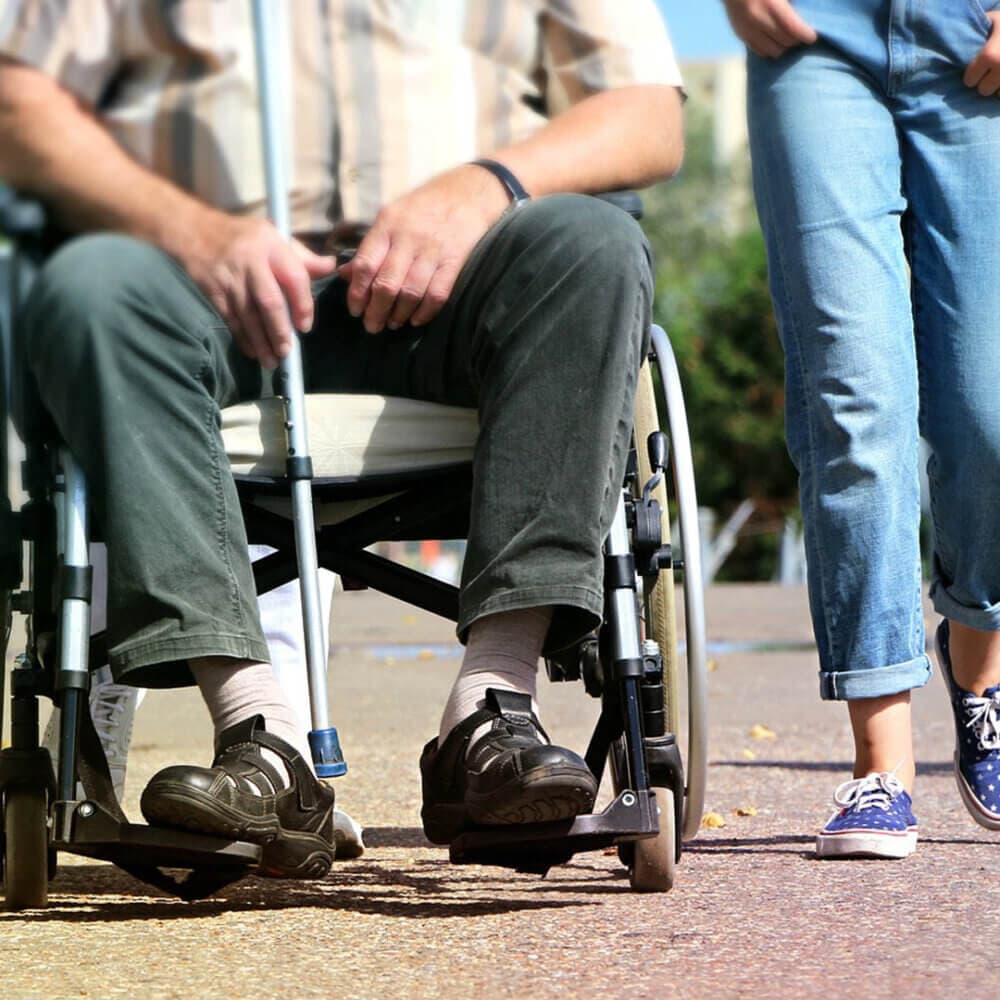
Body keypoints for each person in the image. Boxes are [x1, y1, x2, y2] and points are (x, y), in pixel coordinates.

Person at [0, 1, 684, 876]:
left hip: (461, 284)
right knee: (92, 283)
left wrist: (485, 184)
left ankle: (493, 708)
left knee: (594, 242)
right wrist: (186, 225)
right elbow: (21, 98)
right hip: (200, 286)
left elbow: (647, 112)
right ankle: (259, 738)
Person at [724, 0, 1000, 857]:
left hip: (976, 36)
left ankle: (980, 664)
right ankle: (881, 761)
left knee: (988, 414)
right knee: (856, 404)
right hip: (814, 37)